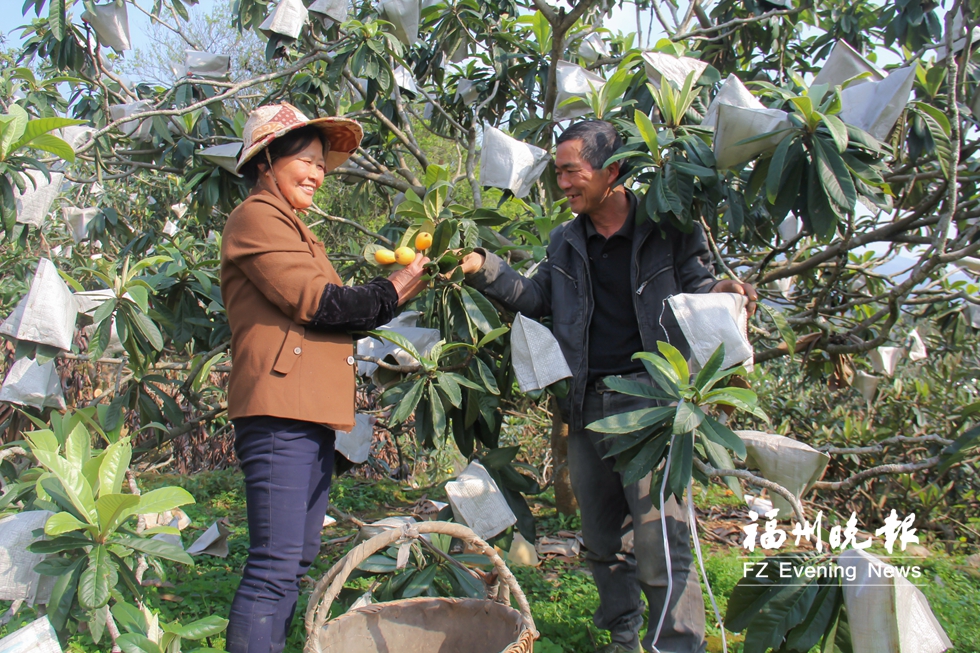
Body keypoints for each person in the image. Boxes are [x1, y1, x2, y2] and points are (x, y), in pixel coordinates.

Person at [460, 120, 756, 653]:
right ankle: (624, 638)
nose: (563, 183)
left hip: (654, 403)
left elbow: (698, 284)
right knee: (600, 541)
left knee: (659, 540)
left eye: (572, 171)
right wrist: (485, 268)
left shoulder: (668, 226)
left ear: (612, 170)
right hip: (589, 403)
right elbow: (536, 297)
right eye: (558, 173)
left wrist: (724, 290)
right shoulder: (566, 241)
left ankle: (676, 645)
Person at [219, 103, 429, 653]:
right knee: (273, 564)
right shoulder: (257, 217)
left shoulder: (293, 227)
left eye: (320, 164)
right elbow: (322, 304)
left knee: (294, 559)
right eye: (305, 161)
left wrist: (399, 287)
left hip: (305, 411)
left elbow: (334, 308)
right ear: (266, 161)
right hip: (278, 410)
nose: (317, 173)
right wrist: (395, 288)